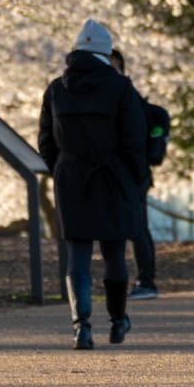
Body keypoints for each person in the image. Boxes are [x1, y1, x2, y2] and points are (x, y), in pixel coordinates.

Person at [38, 19, 149, 350]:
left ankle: (81, 326)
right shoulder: (121, 87)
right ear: (105, 51)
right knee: (114, 251)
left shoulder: (56, 89)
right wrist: (137, 178)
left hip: (71, 177)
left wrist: (60, 168)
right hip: (114, 175)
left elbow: (46, 140)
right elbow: (134, 138)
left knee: (78, 254)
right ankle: (118, 320)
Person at [111, 50, 159, 301]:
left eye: (113, 64)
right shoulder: (124, 94)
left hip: (134, 175)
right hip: (131, 173)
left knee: (138, 228)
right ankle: (142, 280)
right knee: (136, 228)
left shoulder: (127, 94)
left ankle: (146, 280)